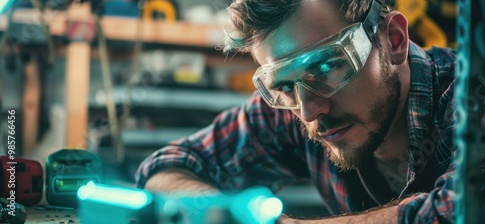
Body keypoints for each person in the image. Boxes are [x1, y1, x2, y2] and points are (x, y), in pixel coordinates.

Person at [135, 0, 457, 223]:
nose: (309, 111)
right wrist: (222, 215)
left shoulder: (475, 100)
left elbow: (458, 215)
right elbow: (167, 167)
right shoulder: (290, 109)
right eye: (285, 86)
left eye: (328, 66)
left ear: (394, 40)